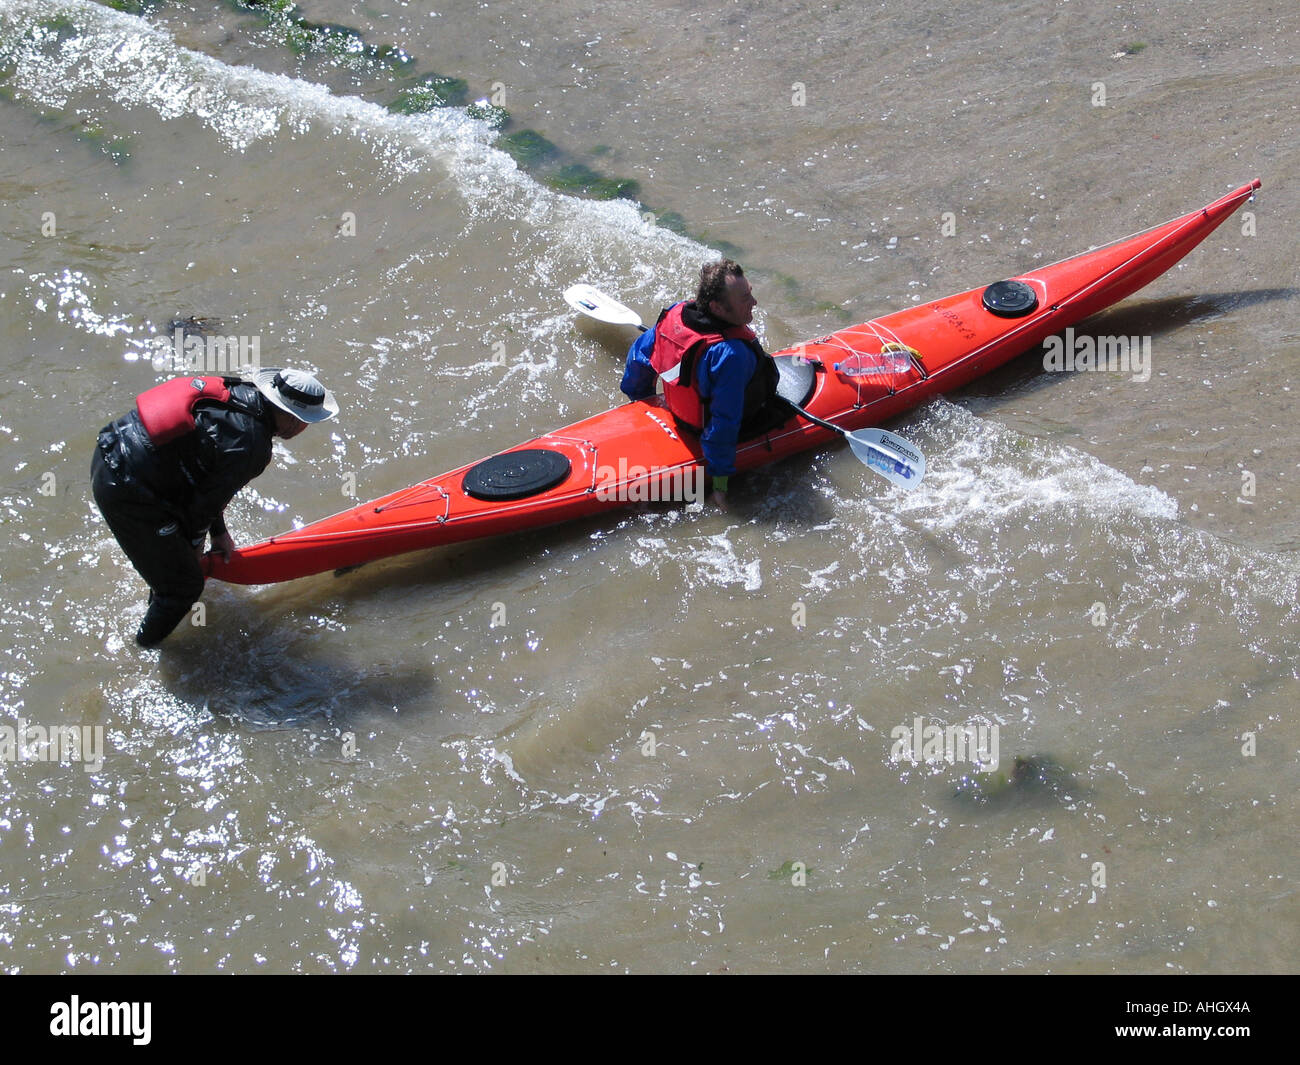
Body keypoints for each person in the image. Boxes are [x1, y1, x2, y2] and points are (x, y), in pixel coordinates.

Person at [91, 367, 338, 647]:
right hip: (127, 491)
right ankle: (143, 649)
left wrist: (218, 533)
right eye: (306, 420)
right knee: (186, 587)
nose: (305, 428)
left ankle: (161, 592)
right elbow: (202, 506)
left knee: (175, 566)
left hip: (108, 452)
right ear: (292, 419)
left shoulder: (238, 392)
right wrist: (195, 547)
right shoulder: (253, 446)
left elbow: (207, 478)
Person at [620, 259, 785, 507]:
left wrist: (641, 400)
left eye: (750, 293)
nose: (754, 302)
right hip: (708, 429)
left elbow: (639, 355)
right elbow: (724, 422)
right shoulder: (731, 355)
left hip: (677, 412)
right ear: (717, 308)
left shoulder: (675, 315)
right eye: (744, 299)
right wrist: (719, 486)